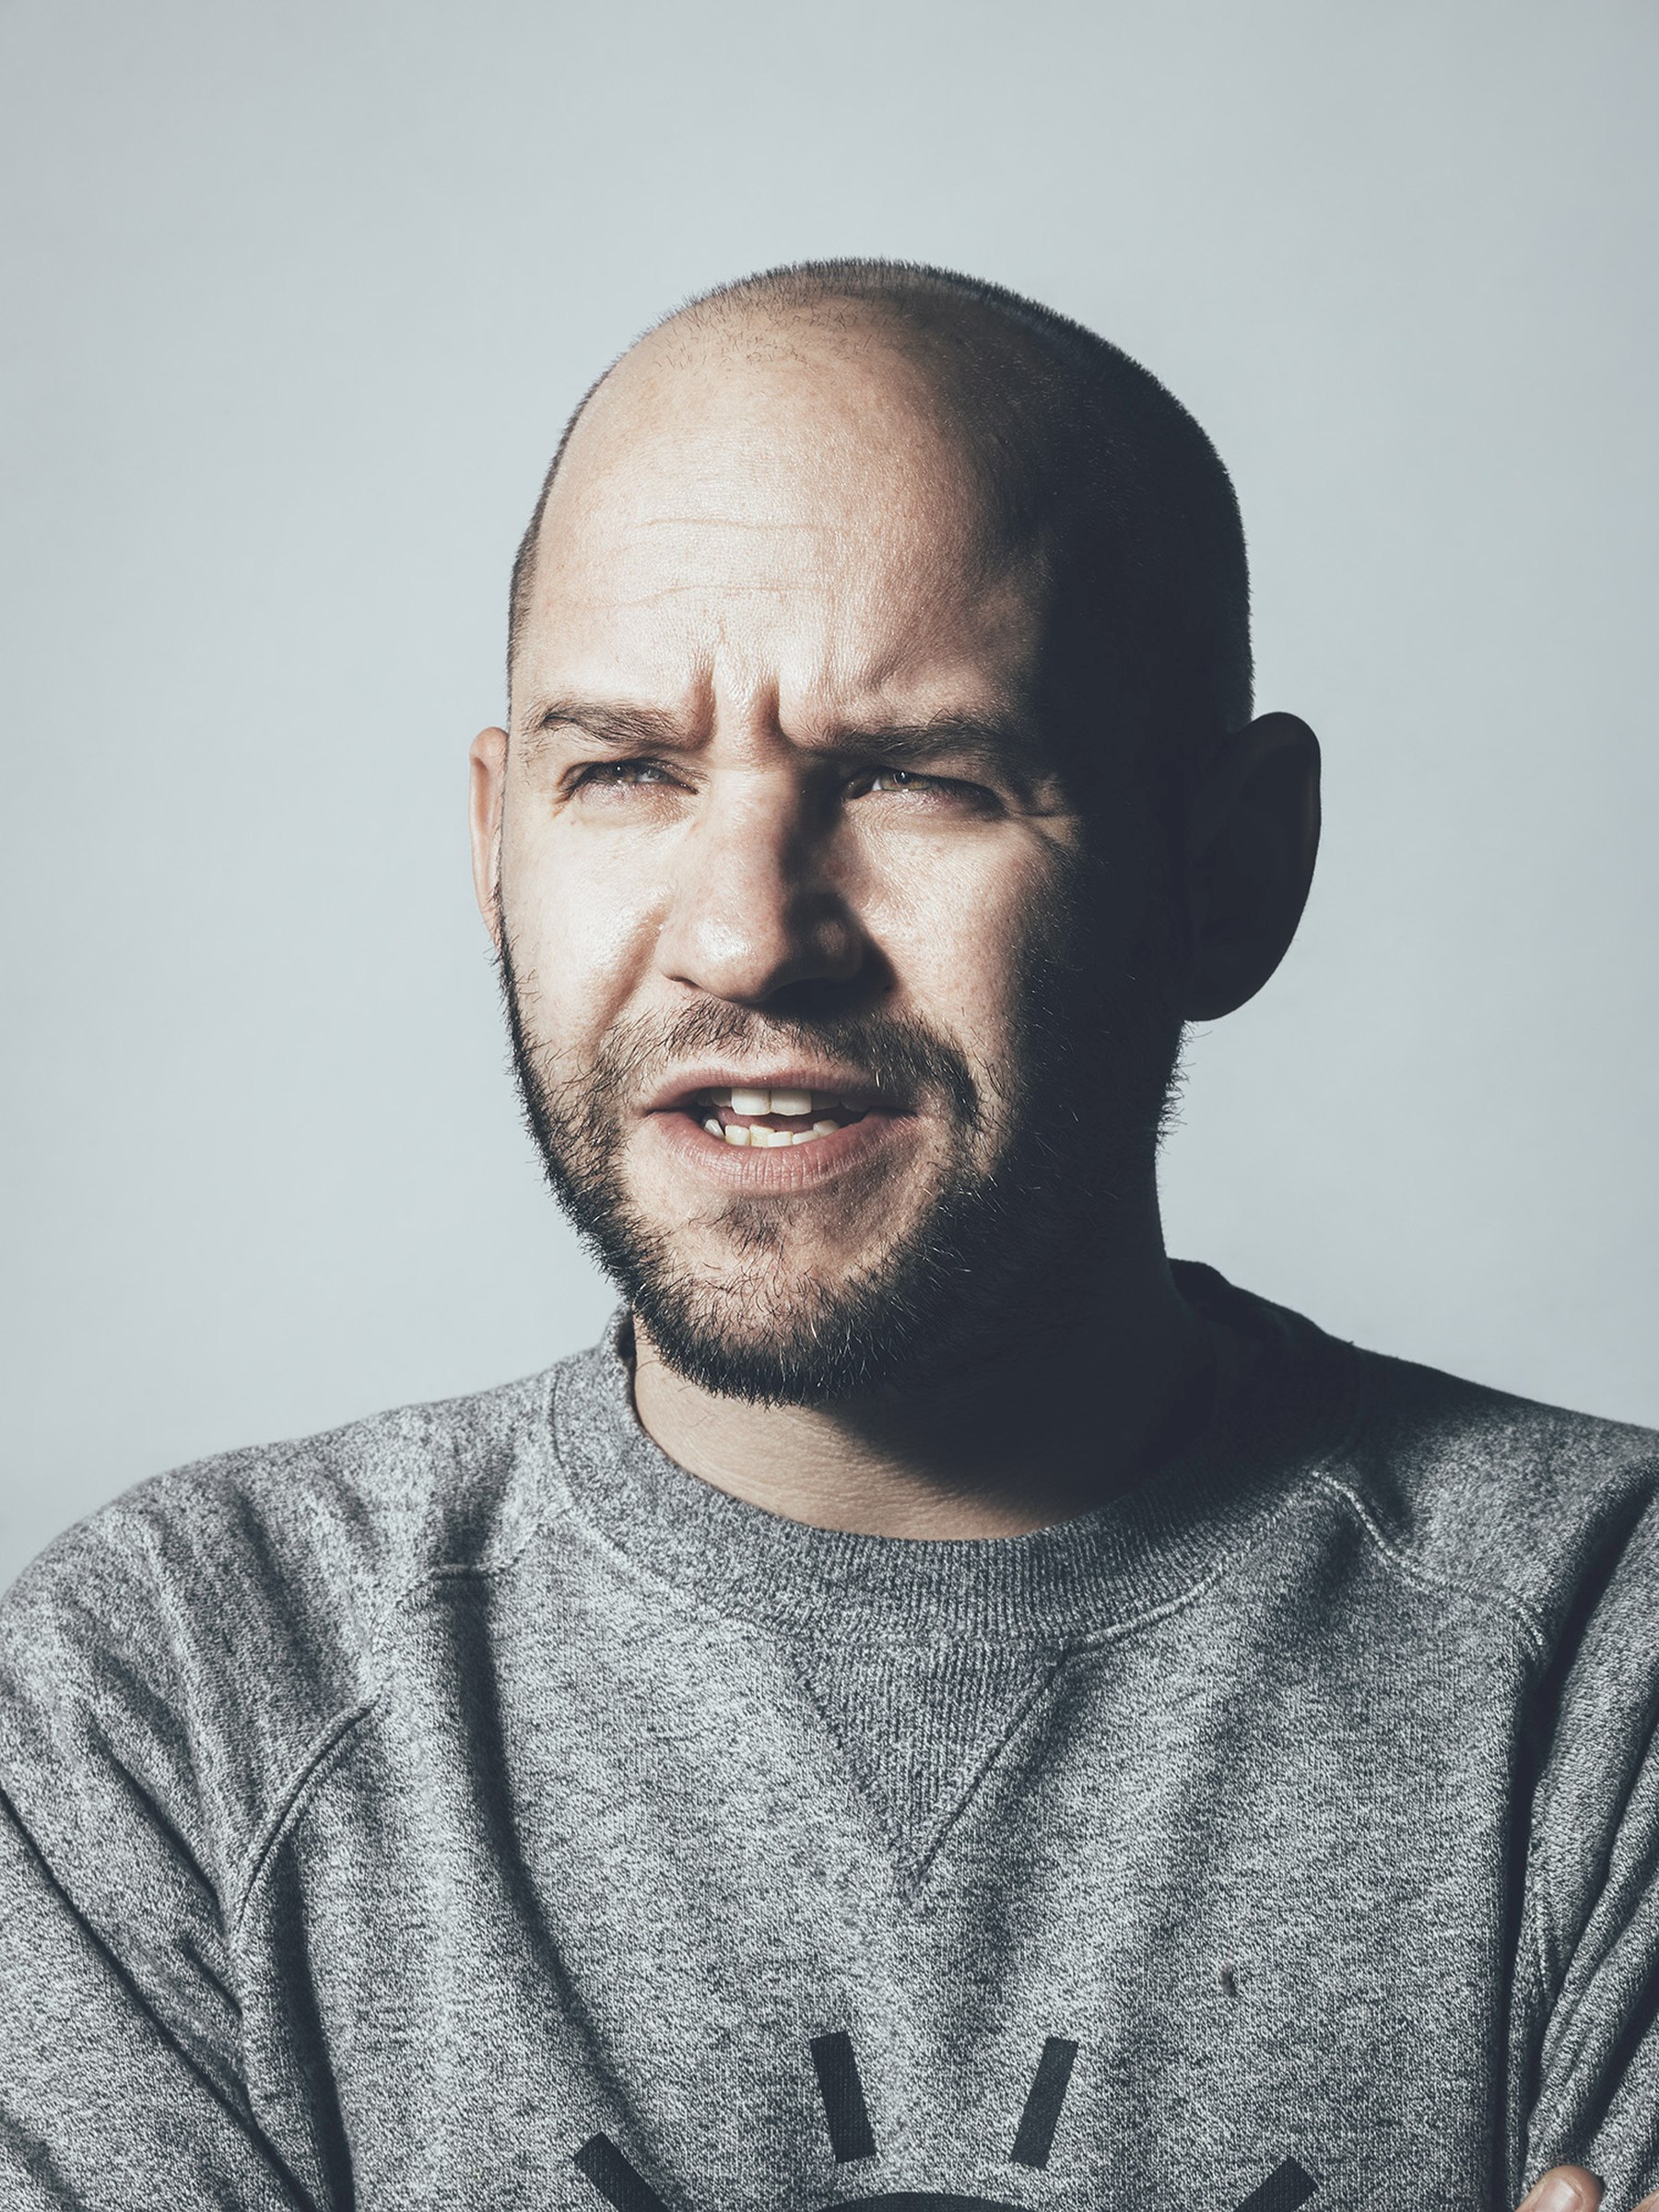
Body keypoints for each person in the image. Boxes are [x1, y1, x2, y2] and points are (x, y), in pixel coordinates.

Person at [0, 261, 1653, 2212]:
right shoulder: (176, 1702)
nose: (745, 934)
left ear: (1231, 867)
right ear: (496, 842)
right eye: (626, 773)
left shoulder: (1603, 1665)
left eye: (919, 779)